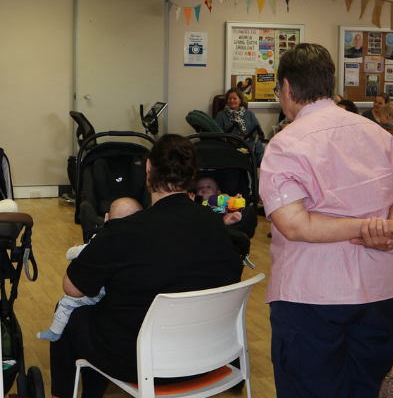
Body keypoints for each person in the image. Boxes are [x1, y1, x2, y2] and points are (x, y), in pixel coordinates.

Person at [258, 43, 393, 398]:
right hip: (383, 290)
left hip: (314, 295)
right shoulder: (379, 134)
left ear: (287, 88)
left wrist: (367, 228)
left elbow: (295, 224)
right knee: (364, 387)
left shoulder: (285, 144)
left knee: (310, 389)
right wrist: (386, 228)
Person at [50, 134, 243, 398]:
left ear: (149, 168)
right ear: (191, 176)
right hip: (209, 355)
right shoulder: (215, 225)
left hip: (142, 360)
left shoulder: (125, 230)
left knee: (75, 314)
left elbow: (72, 288)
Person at [37, 197, 143, 342]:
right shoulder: (142, 243)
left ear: (106, 218)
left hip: (101, 294)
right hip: (133, 305)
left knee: (67, 301)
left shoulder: (102, 240)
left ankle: (55, 331)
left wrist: (73, 251)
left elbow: (74, 254)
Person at [214, 88, 264, 157]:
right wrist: (231, 139)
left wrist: (250, 137)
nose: (232, 101)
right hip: (233, 149)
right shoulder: (221, 115)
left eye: (234, 98)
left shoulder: (249, 114)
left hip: (253, 148)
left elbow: (259, 133)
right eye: (229, 99)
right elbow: (217, 135)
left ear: (240, 100)